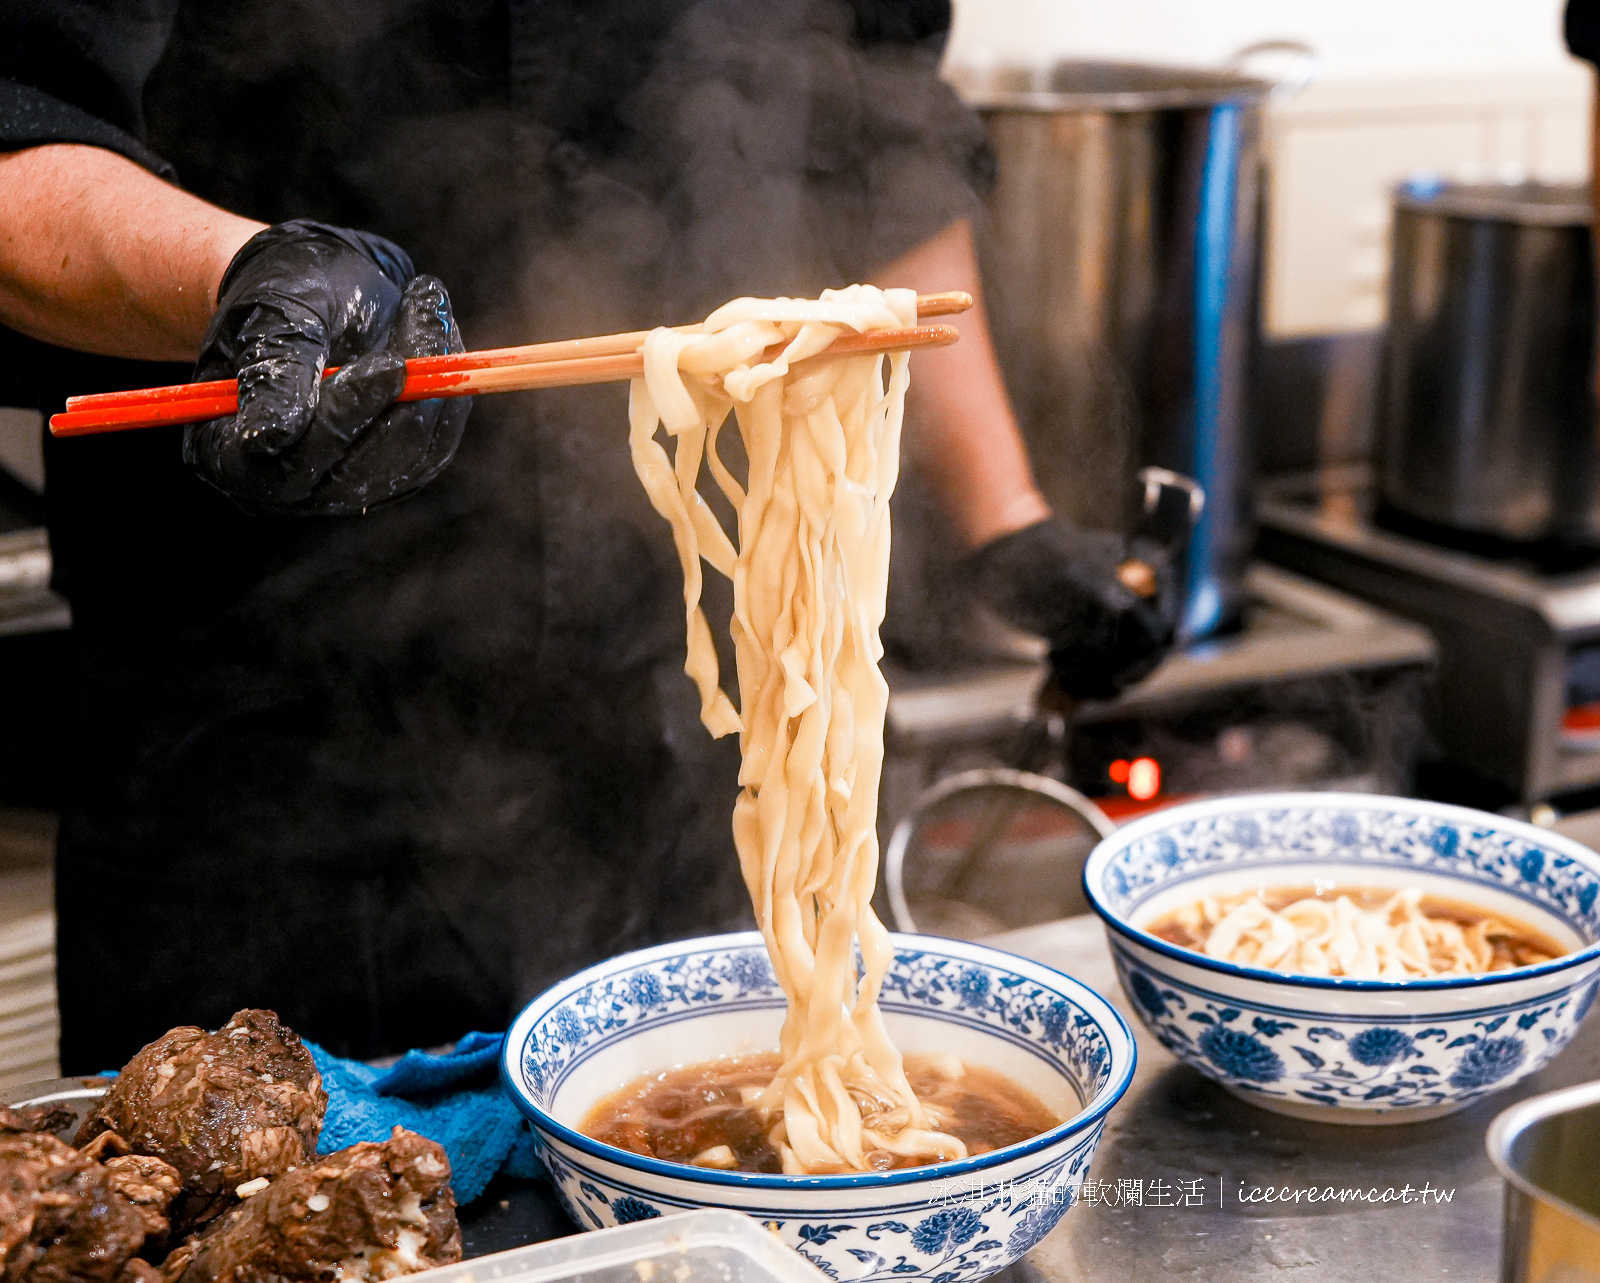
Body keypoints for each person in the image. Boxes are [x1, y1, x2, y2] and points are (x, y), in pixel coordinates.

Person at [0, 0, 1173, 1070]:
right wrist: (246, 282)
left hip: (699, 729)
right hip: (267, 749)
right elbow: (20, 129)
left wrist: (1003, 521)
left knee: (741, 1188)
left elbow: (879, 137)